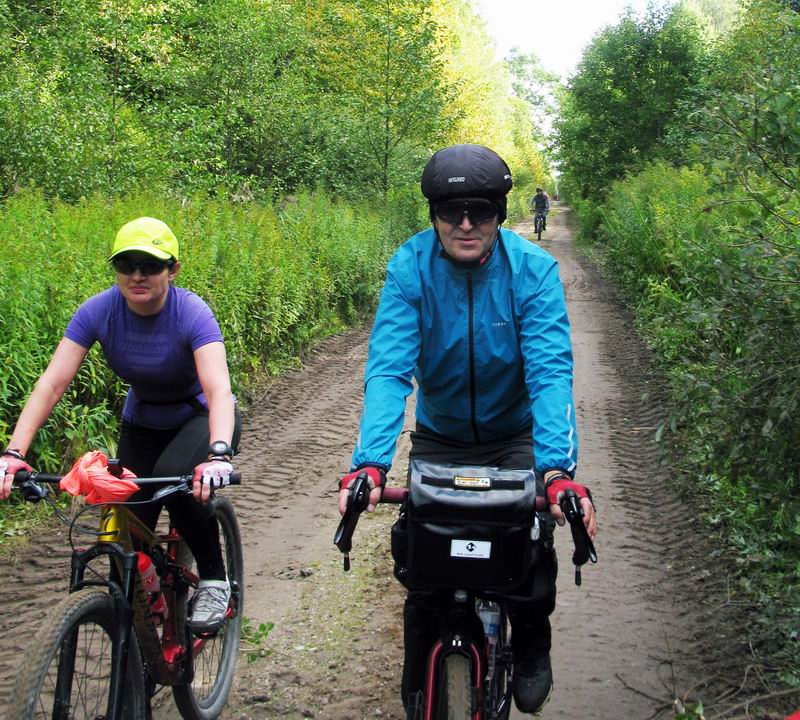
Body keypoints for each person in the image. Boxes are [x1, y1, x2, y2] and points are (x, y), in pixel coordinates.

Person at [337, 144, 596, 717]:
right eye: (450, 211)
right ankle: (418, 675)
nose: (465, 224)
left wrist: (556, 472)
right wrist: (370, 464)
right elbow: (388, 369)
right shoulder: (410, 268)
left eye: (480, 210)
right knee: (425, 571)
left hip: (513, 436)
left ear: (501, 213)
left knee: (527, 555)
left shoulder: (533, 273)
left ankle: (532, 645)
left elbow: (551, 373)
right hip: (441, 435)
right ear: (432, 214)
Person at [0, 216, 241, 634]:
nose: (137, 275)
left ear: (173, 269)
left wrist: (218, 453)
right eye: (126, 264)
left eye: (150, 265)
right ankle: (143, 645)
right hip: (143, 421)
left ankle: (215, 578)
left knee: (178, 486)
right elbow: (52, 383)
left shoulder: (191, 313)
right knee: (130, 528)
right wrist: (14, 453)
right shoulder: (99, 311)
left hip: (201, 418)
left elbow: (219, 390)